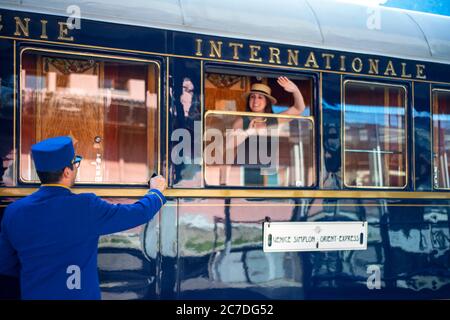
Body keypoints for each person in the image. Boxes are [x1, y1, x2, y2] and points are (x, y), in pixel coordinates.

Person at [0, 136, 166, 300]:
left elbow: (6, 265)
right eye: (75, 163)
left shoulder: (14, 212)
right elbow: (138, 213)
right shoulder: (86, 206)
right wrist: (156, 192)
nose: (76, 167)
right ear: (66, 172)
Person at [224, 77, 306, 185]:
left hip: (268, 174)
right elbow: (229, 145)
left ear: (266, 101)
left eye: (260, 97)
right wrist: (248, 132)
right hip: (243, 172)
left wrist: (295, 90)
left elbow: (299, 109)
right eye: (252, 97)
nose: (255, 101)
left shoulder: (273, 120)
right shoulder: (241, 120)